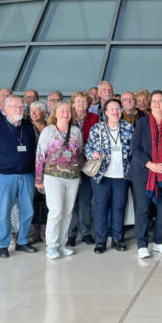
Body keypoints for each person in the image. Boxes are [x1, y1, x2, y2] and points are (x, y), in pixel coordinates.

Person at [128, 90, 162, 259]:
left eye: (160, 101)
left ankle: (160, 242)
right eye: (154, 101)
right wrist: (151, 165)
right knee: (143, 209)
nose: (157, 104)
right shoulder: (142, 123)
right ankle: (142, 244)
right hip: (144, 174)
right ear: (150, 104)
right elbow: (134, 149)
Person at [0, 95, 38, 258]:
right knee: (4, 211)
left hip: (26, 175)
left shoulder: (28, 126)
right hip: (4, 176)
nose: (20, 110)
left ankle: (22, 242)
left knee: (27, 210)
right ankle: (2, 244)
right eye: (15, 107)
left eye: (21, 107)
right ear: (6, 109)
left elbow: (33, 148)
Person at [35, 101, 83, 260]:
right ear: (55, 113)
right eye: (62, 110)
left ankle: (62, 243)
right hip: (53, 177)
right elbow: (40, 156)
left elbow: (79, 154)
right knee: (56, 211)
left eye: (68, 110)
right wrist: (38, 178)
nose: (65, 112)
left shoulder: (76, 131)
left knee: (68, 212)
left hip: (72, 178)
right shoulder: (48, 131)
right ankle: (51, 246)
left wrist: (79, 173)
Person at [84, 98, 133, 254]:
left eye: (118, 108)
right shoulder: (97, 129)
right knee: (101, 208)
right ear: (105, 112)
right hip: (102, 176)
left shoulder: (128, 127)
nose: (115, 111)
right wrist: (93, 153)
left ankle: (117, 239)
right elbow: (87, 147)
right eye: (111, 108)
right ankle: (101, 241)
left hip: (122, 176)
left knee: (119, 207)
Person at [67, 92, 99, 246]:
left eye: (83, 101)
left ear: (88, 104)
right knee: (71, 201)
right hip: (69, 166)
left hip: (87, 166)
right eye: (77, 101)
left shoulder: (95, 119)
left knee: (85, 201)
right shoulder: (66, 117)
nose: (80, 104)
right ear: (73, 103)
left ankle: (86, 232)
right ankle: (71, 234)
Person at [28, 100, 49, 244]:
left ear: (44, 113)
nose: (33, 114)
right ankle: (32, 233)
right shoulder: (26, 127)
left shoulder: (51, 127)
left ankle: (45, 232)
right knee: (31, 201)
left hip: (49, 170)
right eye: (31, 111)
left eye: (36, 111)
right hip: (30, 169)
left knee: (47, 202)